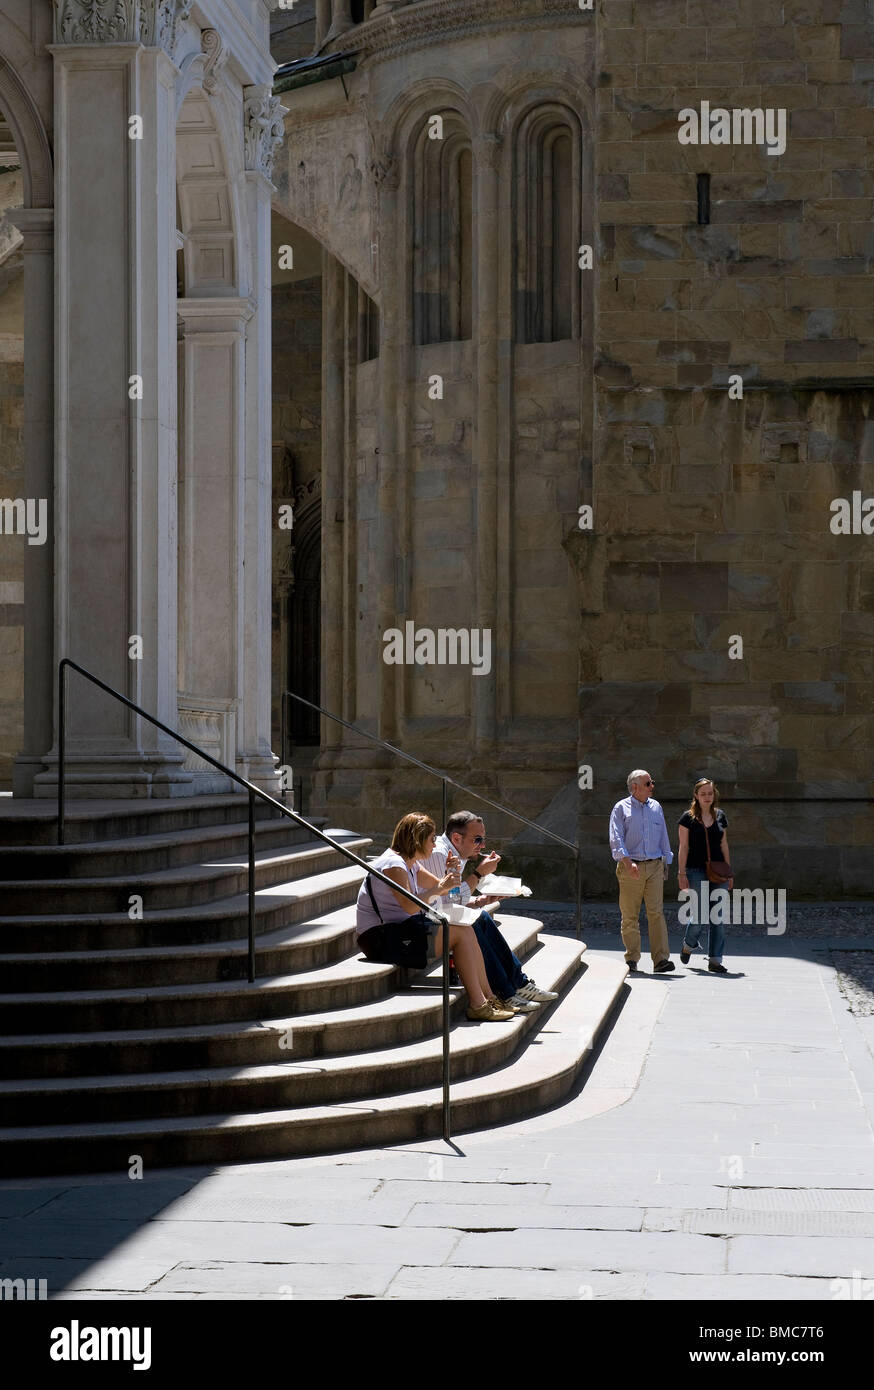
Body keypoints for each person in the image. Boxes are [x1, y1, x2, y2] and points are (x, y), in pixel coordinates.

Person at [355, 811, 514, 1021]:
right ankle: (479, 1004)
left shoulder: (410, 862)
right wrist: (444, 885)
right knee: (459, 934)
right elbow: (410, 906)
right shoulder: (394, 865)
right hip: (379, 939)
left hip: (401, 929)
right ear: (417, 840)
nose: (434, 844)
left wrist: (452, 872)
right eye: (431, 839)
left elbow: (445, 890)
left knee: (466, 929)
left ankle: (489, 998)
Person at [420, 810, 559, 1013]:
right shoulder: (441, 854)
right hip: (423, 920)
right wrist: (479, 874)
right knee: (473, 923)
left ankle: (519, 984)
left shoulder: (455, 854)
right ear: (456, 838)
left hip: (436, 912)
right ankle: (507, 993)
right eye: (477, 839)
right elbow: (442, 903)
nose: (483, 845)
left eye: (483, 839)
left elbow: (450, 899)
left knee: (482, 916)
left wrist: (480, 901)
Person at [608, 769, 674, 973]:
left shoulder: (656, 807)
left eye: (652, 782)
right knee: (630, 915)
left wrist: (666, 861)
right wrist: (628, 862)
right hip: (631, 867)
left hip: (654, 866)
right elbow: (616, 838)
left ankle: (661, 960)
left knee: (656, 913)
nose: (652, 786)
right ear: (635, 787)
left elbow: (663, 835)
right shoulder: (621, 808)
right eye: (648, 783)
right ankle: (632, 958)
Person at [677, 777, 732, 975]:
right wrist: (681, 872)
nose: (707, 797)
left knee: (717, 917)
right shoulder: (687, 818)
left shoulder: (720, 816)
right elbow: (683, 847)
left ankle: (715, 960)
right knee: (699, 915)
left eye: (710, 793)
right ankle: (689, 943)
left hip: (719, 871)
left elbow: (724, 844)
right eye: (703, 794)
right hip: (695, 870)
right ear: (696, 795)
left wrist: (729, 871)